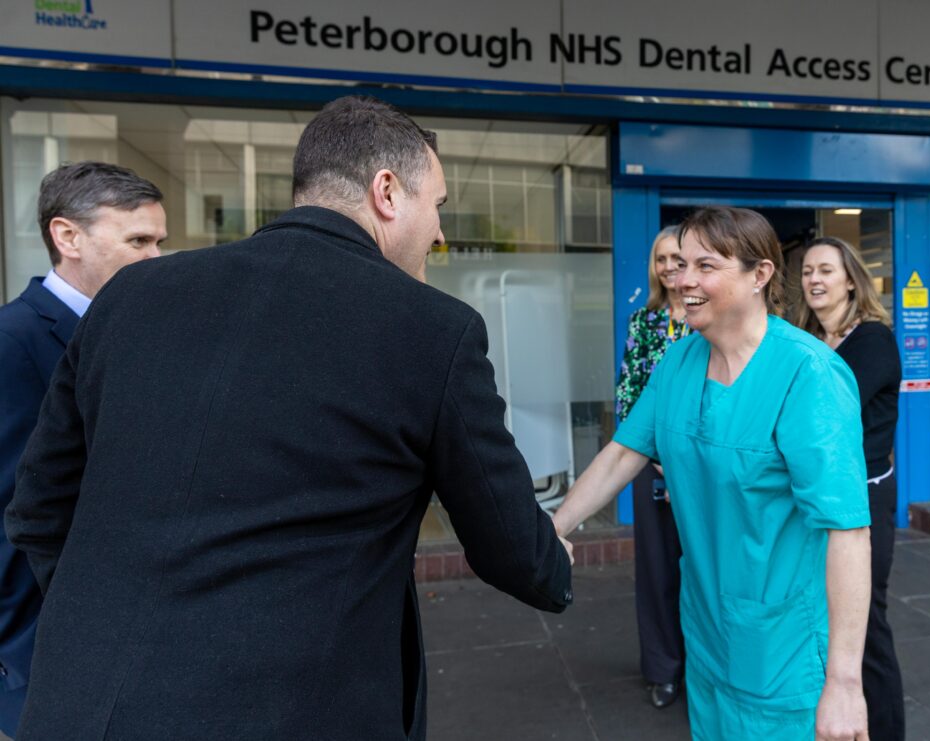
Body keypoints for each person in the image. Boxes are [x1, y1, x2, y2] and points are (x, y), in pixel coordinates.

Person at [5, 96, 573, 741]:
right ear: (387, 191)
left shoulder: (130, 295)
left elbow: (38, 508)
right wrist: (553, 562)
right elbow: (509, 546)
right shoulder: (430, 327)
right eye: (437, 204)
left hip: (81, 709)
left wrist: (98, 617)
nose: (440, 232)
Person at [554, 207, 872, 740]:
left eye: (705, 266)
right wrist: (555, 529)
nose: (684, 280)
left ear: (759, 275)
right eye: (680, 265)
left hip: (787, 648)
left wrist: (844, 682)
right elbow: (621, 454)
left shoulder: (808, 375)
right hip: (707, 633)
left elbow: (848, 531)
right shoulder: (678, 362)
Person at [0, 161, 165, 737]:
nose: (154, 258)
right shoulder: (11, 343)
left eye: (158, 242)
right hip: (45, 656)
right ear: (67, 237)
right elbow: (15, 511)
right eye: (137, 241)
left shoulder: (138, 335)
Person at [796, 235, 905, 740]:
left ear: (850, 280)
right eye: (807, 272)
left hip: (863, 498)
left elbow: (822, 415)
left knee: (865, 626)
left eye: (825, 270)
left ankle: (883, 731)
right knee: (818, 617)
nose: (814, 280)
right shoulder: (806, 338)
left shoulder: (872, 340)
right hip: (815, 500)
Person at [614, 225, 688, 709]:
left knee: (706, 571)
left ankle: (708, 667)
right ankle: (663, 669)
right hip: (651, 465)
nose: (668, 267)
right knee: (657, 569)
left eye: (677, 258)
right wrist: (654, 455)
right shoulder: (645, 322)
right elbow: (629, 394)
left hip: (702, 465)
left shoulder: (712, 319)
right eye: (660, 258)